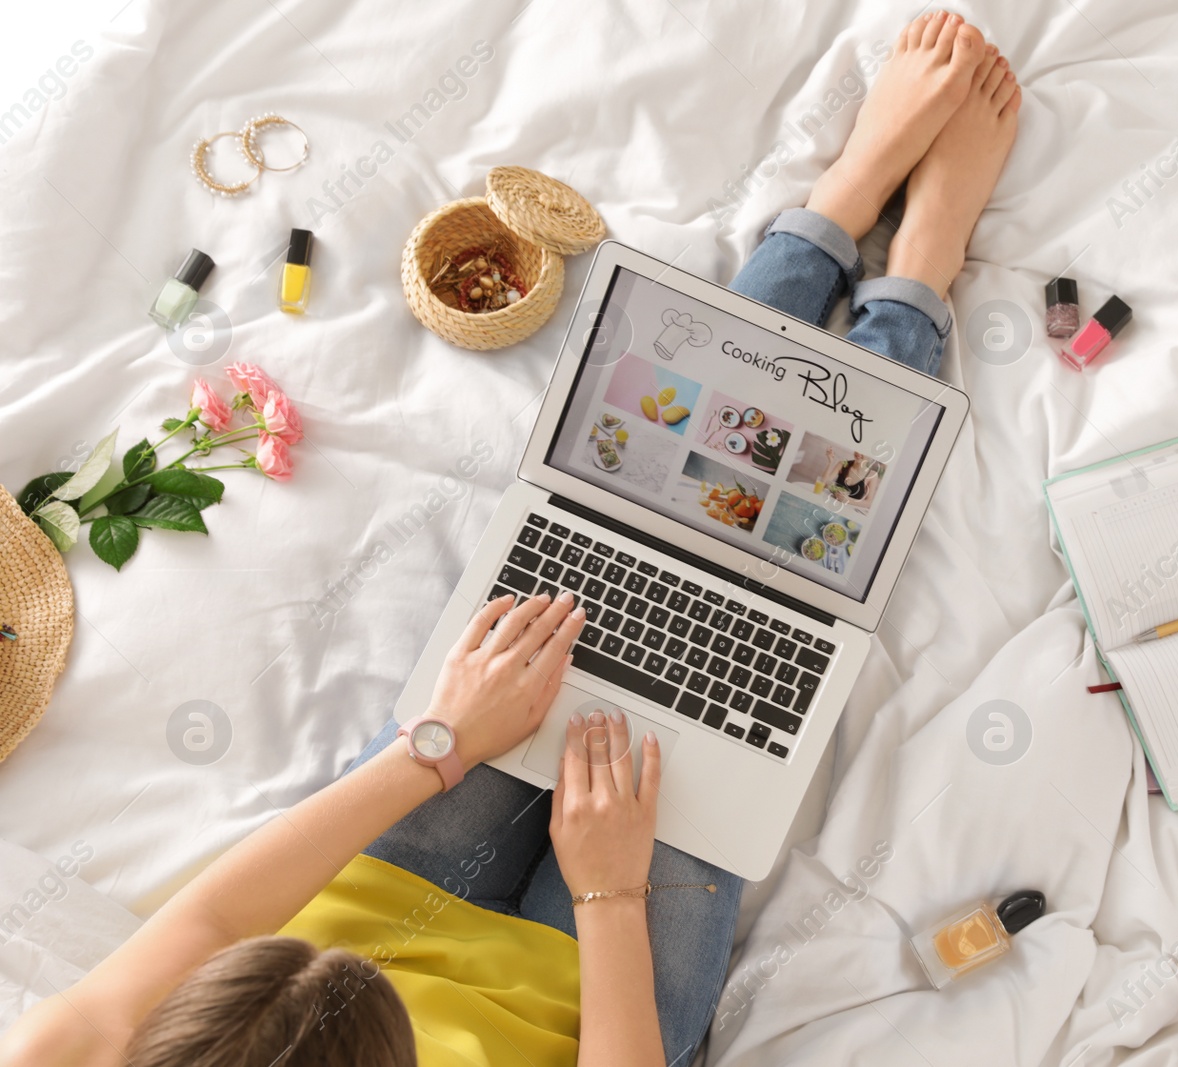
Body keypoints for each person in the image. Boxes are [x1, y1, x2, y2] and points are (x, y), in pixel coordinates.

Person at [0, 10, 1020, 1066]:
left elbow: (208, 929)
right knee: (775, 588)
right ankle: (919, 272)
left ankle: (832, 212)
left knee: (614, 514)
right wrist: (608, 890)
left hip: (386, 886)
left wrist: (438, 743)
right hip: (582, 1014)